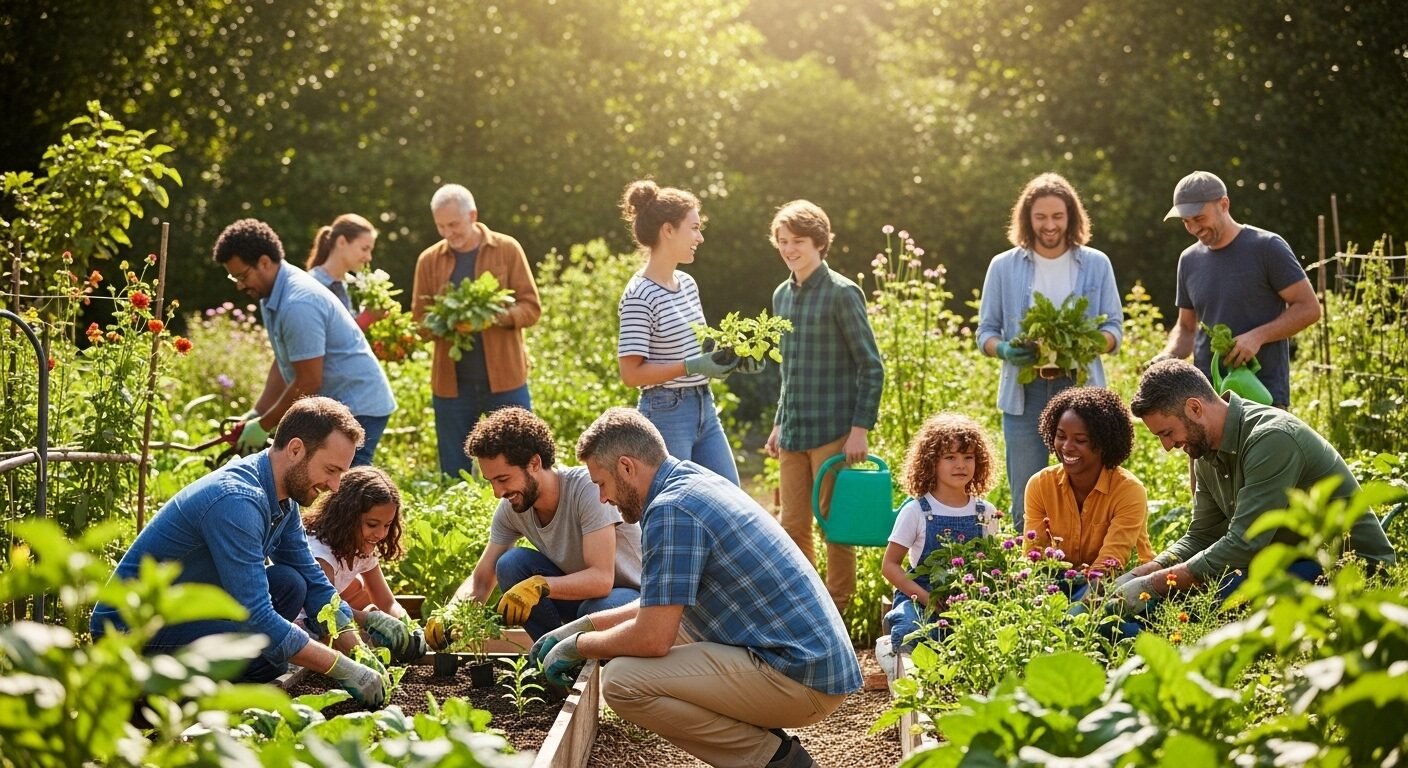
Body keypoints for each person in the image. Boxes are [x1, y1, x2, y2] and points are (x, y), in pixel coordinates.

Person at [531, 407, 860, 768]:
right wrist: (583, 626)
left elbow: (653, 638)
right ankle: (771, 746)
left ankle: (777, 761)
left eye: (601, 484)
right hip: (807, 660)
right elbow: (660, 607)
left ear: (626, 467)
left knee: (622, 681)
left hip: (800, 676)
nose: (602, 498)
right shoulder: (690, 482)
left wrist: (578, 646)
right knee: (662, 644)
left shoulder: (671, 511)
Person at [90, 397, 403, 707]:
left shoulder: (283, 499)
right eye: (330, 470)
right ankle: (154, 702)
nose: (334, 486)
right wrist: (341, 667)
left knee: (291, 583)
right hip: (130, 632)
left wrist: (358, 651)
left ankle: (205, 687)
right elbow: (258, 617)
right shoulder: (237, 501)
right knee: (268, 652)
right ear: (295, 449)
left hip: (182, 615)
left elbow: (314, 581)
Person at [1110, 360, 1395, 623]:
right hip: (1287, 562)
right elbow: (1202, 536)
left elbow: (1244, 545)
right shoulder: (1205, 453)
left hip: (1350, 571)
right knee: (1175, 606)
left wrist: (1155, 584)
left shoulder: (1271, 439)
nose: (1167, 446)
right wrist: (1141, 573)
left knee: (1207, 608)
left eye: (1167, 433)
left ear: (1195, 408)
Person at [977, 172, 1123, 528]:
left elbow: (1114, 329)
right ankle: (1030, 560)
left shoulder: (1096, 263)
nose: (1049, 225)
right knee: (1027, 493)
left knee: (1087, 489)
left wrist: (1087, 343)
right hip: (1024, 393)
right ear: (1027, 219)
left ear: (1071, 217)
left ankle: (1089, 558)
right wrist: (1006, 350)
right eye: (1040, 217)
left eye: (1058, 216)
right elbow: (985, 333)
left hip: (1080, 389)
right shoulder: (1004, 266)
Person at [424, 407, 641, 645]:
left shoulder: (588, 489)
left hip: (630, 601)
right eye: (491, 482)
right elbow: (482, 580)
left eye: (503, 479)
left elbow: (601, 579)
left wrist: (540, 585)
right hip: (581, 600)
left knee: (595, 608)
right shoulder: (513, 507)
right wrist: (450, 614)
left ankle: (583, 656)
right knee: (510, 564)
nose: (497, 492)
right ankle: (550, 653)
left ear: (534, 463)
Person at [766, 199, 885, 618]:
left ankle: (840, 611)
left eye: (797, 241)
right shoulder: (781, 296)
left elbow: (871, 366)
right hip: (793, 432)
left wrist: (860, 429)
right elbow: (789, 371)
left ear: (819, 242)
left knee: (835, 524)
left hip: (834, 431)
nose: (789, 249)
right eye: (783, 241)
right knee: (792, 524)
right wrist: (778, 423)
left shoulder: (842, 293)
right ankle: (808, 608)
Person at [214, 218, 396, 467]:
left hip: (360, 404)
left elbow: (309, 380)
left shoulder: (297, 303)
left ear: (264, 262)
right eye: (234, 278)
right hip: (337, 401)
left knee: (343, 483)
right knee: (315, 477)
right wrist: (257, 413)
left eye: (243, 276)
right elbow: (284, 363)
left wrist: (264, 425)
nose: (240, 285)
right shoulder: (270, 296)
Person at [616, 180, 754, 486]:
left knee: (730, 495)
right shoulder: (639, 295)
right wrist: (690, 367)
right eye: (694, 228)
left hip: (704, 405)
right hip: (666, 412)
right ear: (668, 230)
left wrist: (734, 358)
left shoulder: (687, 284)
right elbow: (631, 374)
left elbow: (699, 350)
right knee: (673, 502)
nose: (700, 237)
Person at [1148, 171, 1321, 408]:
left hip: (1261, 394)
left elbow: (1309, 308)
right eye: (1186, 222)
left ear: (1224, 204)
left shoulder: (1267, 247)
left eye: (1199, 218)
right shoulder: (1188, 260)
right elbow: (1186, 327)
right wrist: (1168, 356)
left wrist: (1257, 336)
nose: (1194, 228)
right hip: (1207, 398)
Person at [412, 184, 541, 478]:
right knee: (453, 471)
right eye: (441, 226)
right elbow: (420, 322)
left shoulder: (507, 249)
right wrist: (445, 321)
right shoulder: (428, 260)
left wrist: (497, 317)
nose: (448, 233)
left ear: (472, 215)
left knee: (523, 461)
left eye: (454, 224)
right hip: (452, 386)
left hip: (506, 379)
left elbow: (532, 308)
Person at [881, 413, 1001, 652]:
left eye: (968, 457)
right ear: (931, 462)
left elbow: (991, 565)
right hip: (921, 597)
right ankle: (891, 644)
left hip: (971, 598)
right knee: (912, 632)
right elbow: (890, 565)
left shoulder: (986, 512)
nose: (961, 465)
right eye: (950, 457)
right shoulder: (916, 511)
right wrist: (929, 600)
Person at [1024, 387, 1155, 587]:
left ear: (1104, 443)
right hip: (1058, 582)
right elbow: (1033, 554)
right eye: (1061, 436)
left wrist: (1079, 584)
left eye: (1080, 440)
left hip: (1123, 583)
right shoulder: (1040, 485)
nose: (1067, 447)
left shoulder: (1129, 491)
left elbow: (1111, 563)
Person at [300, 465, 428, 662]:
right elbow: (326, 610)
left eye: (387, 525)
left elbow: (386, 602)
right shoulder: (321, 555)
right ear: (347, 517)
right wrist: (369, 619)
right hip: (304, 629)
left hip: (333, 623)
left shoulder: (359, 547)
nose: (381, 534)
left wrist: (407, 624)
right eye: (372, 524)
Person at [305, 213, 380, 330]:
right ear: (341, 242)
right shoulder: (313, 285)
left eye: (370, 251)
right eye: (364, 249)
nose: (369, 257)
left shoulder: (352, 285)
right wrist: (366, 319)